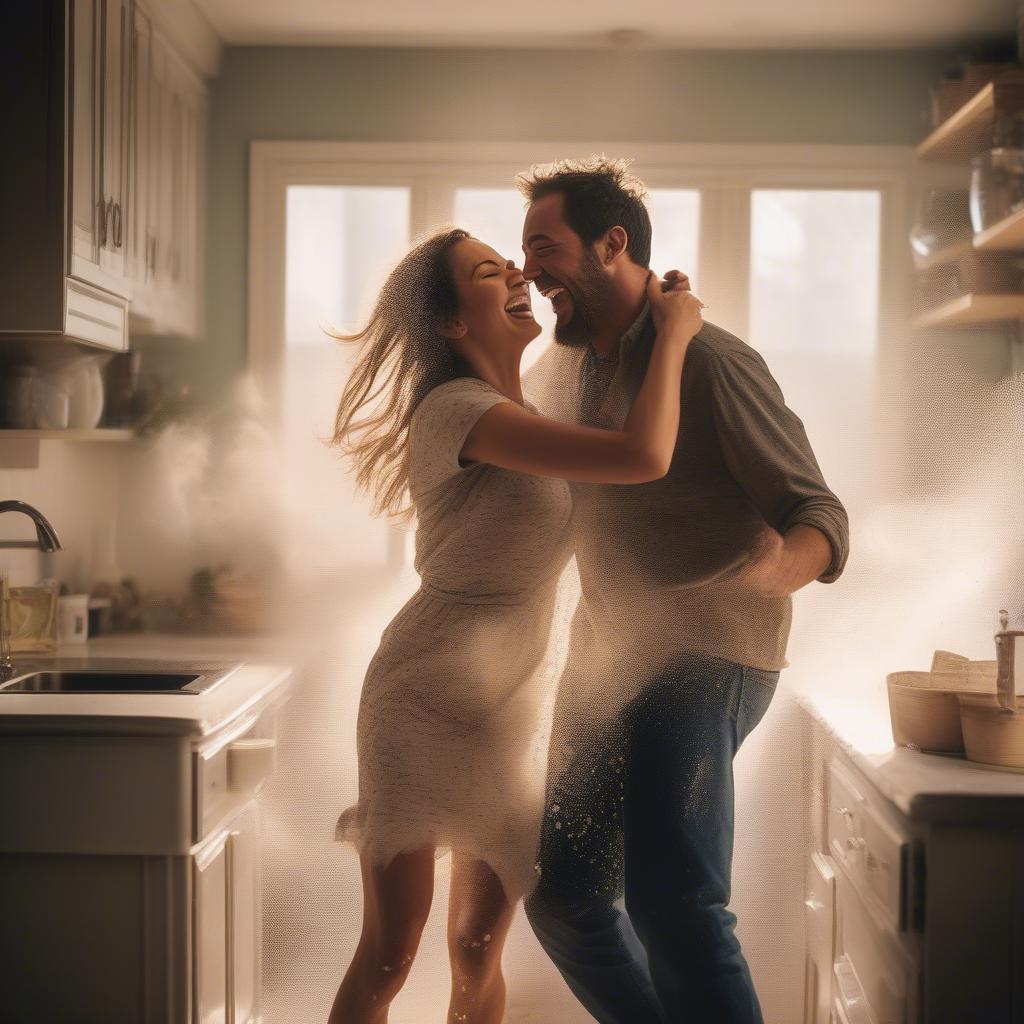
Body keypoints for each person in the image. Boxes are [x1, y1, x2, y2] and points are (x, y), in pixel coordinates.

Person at [326, 226, 705, 1024]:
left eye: (513, 266)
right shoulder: (459, 410)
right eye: (490, 273)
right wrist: (674, 334)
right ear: (454, 324)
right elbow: (641, 453)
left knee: (476, 951)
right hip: (421, 701)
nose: (517, 278)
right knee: (392, 951)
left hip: (507, 706)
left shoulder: (528, 409)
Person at [518, 157, 850, 1024]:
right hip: (607, 656)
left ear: (611, 244)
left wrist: (762, 577)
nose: (530, 270)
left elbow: (818, 513)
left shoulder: (711, 362)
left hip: (707, 658)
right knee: (565, 901)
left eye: (544, 247)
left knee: (676, 909)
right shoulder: (569, 370)